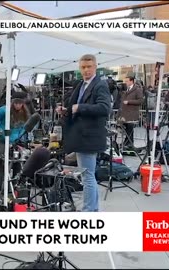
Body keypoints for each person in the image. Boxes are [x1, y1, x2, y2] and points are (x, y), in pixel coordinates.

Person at [56, 54, 111, 212]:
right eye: (83, 67)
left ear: (95, 67)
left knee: (87, 177)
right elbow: (73, 105)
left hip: (89, 137)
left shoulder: (100, 85)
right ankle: (92, 209)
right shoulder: (81, 84)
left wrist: (80, 108)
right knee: (88, 176)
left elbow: (104, 108)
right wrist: (65, 110)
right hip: (80, 136)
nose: (86, 70)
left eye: (89, 67)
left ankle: (89, 211)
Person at [117, 75, 144, 149]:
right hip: (125, 113)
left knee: (130, 128)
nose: (125, 83)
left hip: (132, 113)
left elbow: (141, 100)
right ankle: (127, 142)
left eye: (127, 81)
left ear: (131, 81)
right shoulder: (126, 90)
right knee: (127, 129)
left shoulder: (137, 90)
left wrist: (129, 101)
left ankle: (129, 143)